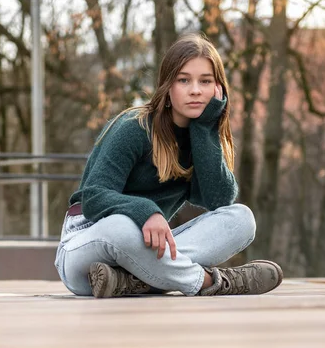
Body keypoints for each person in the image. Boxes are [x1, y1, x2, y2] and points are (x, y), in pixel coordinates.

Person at [54, 33, 283, 298]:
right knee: (122, 227)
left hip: (122, 268)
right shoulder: (134, 127)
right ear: (168, 86)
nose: (195, 90)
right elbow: (93, 198)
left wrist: (205, 128)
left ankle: (132, 281)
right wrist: (146, 212)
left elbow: (219, 198)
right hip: (86, 247)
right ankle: (212, 282)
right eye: (184, 80)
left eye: (205, 81)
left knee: (241, 219)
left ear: (217, 89)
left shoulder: (200, 137)